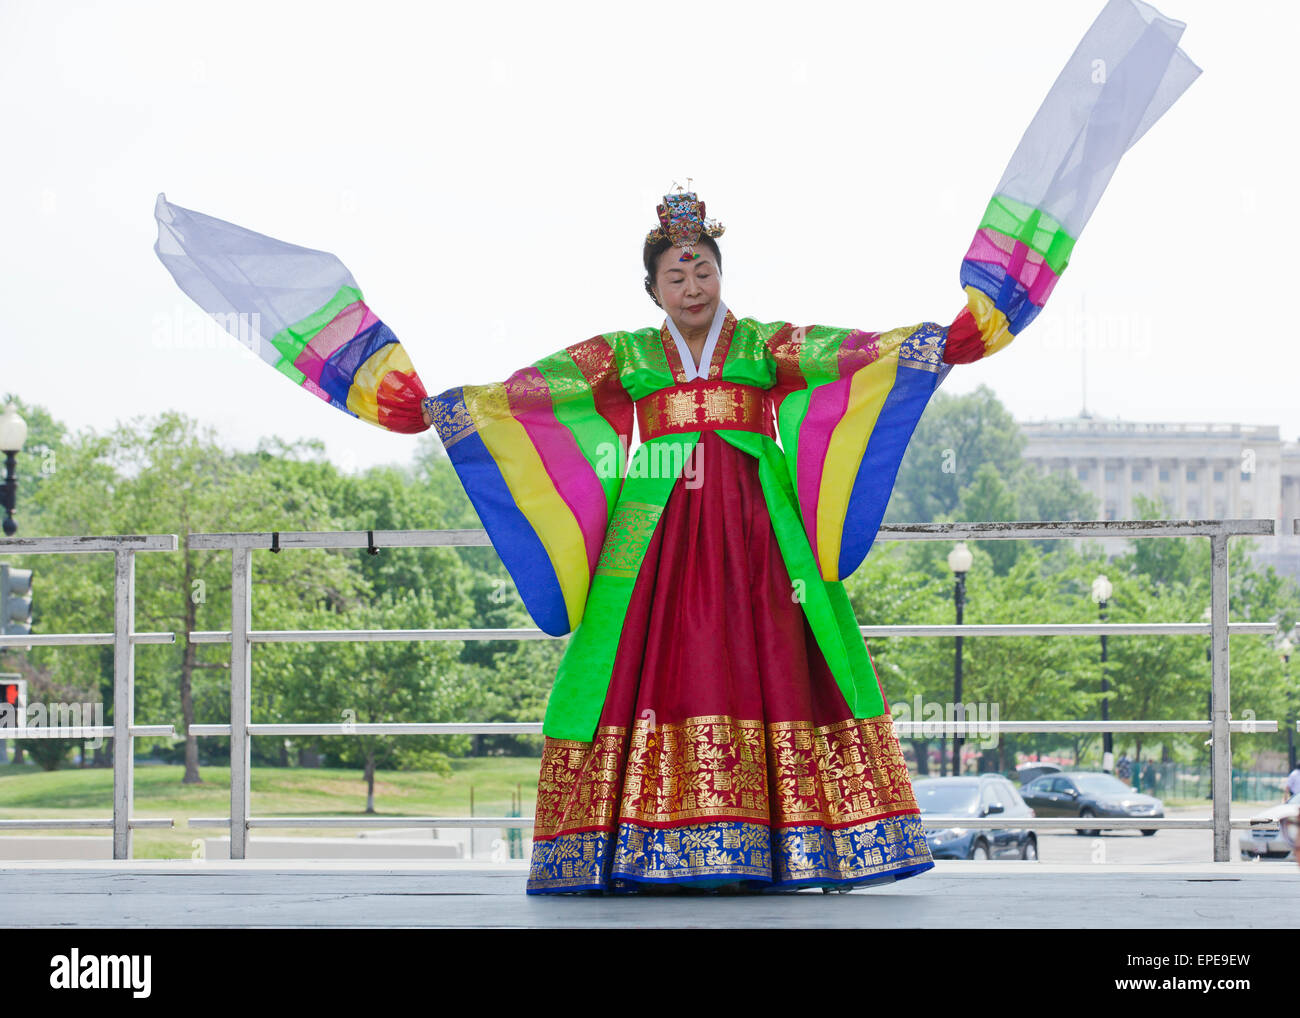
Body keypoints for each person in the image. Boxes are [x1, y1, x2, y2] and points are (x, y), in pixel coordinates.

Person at [153, 0, 1199, 895]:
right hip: (652, 513)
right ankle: (630, 844)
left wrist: (926, 345)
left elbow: (848, 357)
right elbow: (537, 390)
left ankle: (781, 842)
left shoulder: (764, 344)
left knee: (773, 654)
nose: (689, 278)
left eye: (700, 261)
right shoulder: (624, 357)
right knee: (637, 663)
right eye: (673, 269)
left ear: (718, 269)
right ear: (652, 289)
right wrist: (454, 408)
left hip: (756, 517)